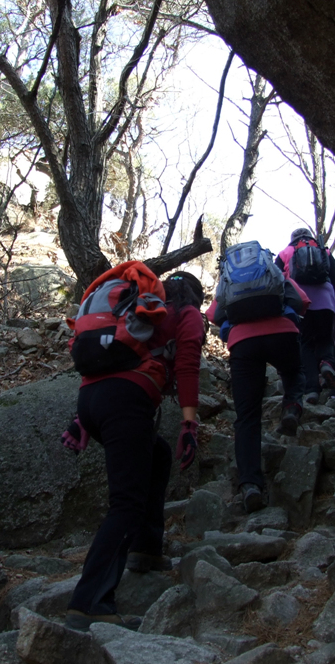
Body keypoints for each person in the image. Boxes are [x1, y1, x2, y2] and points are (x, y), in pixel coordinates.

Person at [62, 269, 205, 631]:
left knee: (155, 455)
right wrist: (189, 424)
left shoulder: (134, 306)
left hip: (90, 400)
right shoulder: (185, 314)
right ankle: (90, 601)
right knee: (126, 502)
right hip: (124, 402)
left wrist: (82, 420)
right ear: (195, 297)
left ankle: (146, 548)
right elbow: (187, 365)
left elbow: (105, 360)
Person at [208, 268, 309, 514]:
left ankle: (251, 485)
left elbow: (214, 314)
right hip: (283, 334)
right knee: (293, 372)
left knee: (247, 417)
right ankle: (292, 407)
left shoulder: (229, 280)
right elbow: (303, 301)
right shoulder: (274, 273)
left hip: (243, 343)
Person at [276, 228, 335, 404]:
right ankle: (326, 363)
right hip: (326, 301)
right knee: (325, 338)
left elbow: (276, 280)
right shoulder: (323, 250)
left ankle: (311, 390)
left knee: (306, 343)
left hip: (300, 302)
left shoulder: (285, 252)